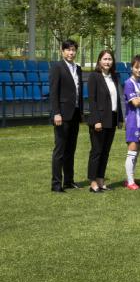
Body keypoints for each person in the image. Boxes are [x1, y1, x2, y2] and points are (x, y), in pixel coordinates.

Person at [87, 50, 123, 193]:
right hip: (99, 120)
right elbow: (92, 100)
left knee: (105, 152)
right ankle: (93, 182)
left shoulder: (114, 77)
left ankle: (100, 179)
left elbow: (118, 99)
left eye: (110, 59)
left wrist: (120, 118)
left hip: (112, 118)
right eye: (105, 59)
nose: (107, 62)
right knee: (97, 151)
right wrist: (96, 120)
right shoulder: (94, 76)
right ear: (99, 61)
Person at [50, 39, 83, 192]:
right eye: (68, 50)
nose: (71, 53)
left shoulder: (78, 68)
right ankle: (56, 184)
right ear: (62, 51)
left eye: (73, 50)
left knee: (71, 150)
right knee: (60, 151)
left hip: (75, 114)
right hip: (62, 114)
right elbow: (54, 92)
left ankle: (69, 181)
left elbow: (79, 92)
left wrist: (81, 112)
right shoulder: (57, 67)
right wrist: (56, 113)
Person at [123, 54, 140, 190]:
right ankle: (130, 181)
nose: (139, 70)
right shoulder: (128, 83)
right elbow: (135, 102)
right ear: (131, 68)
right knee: (132, 150)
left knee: (138, 150)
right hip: (133, 121)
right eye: (136, 67)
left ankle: (131, 178)